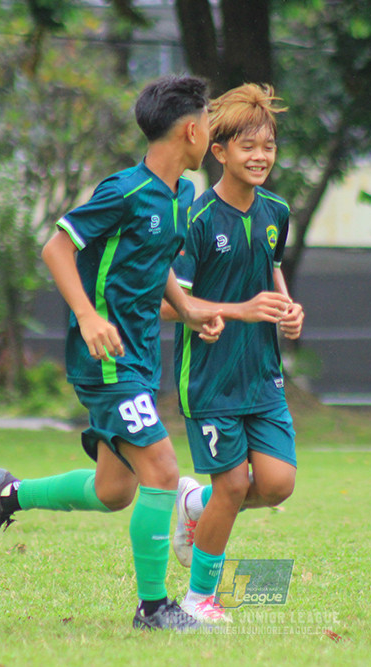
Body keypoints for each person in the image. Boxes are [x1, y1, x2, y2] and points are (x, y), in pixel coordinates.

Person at [0, 75, 223, 632]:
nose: (212, 137)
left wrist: (190, 308)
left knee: (114, 491)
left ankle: (6, 495)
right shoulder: (125, 190)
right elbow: (56, 247)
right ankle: (154, 608)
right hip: (106, 359)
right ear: (193, 131)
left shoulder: (181, 196)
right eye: (211, 126)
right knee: (162, 469)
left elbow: (155, 270)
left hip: (139, 358)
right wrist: (87, 315)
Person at [159, 83, 304, 623]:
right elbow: (166, 304)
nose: (260, 157)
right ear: (218, 152)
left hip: (262, 375)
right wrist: (237, 310)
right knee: (234, 484)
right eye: (248, 147)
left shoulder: (277, 212)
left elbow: (271, 268)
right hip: (211, 380)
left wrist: (288, 308)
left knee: (277, 483)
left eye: (267, 146)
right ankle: (199, 600)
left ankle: (192, 506)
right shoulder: (195, 221)